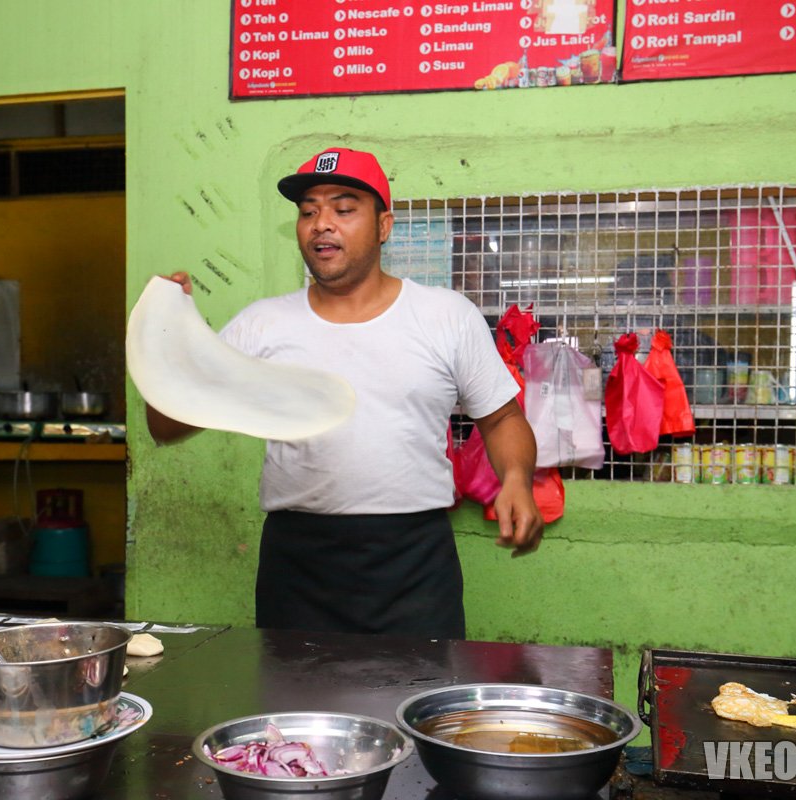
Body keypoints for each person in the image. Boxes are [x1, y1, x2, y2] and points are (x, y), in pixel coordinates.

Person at [146, 146, 543, 639]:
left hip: (414, 563)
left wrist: (517, 480)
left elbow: (502, 419)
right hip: (298, 565)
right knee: (295, 712)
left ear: (384, 225)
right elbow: (166, 425)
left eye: (344, 208)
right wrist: (166, 340)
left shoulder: (445, 316)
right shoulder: (261, 325)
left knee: (413, 708)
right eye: (308, 211)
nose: (321, 223)